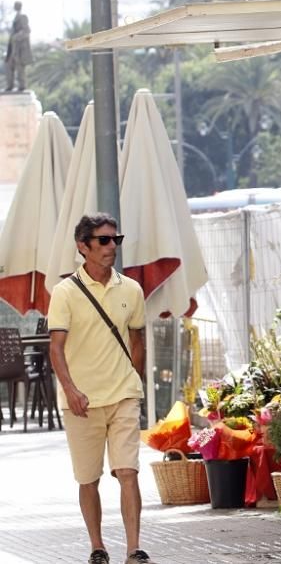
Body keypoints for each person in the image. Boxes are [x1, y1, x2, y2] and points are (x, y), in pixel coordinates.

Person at [47, 213, 151, 564]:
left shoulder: (132, 289)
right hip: (82, 401)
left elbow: (137, 339)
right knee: (88, 478)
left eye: (115, 240)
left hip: (123, 394)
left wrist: (133, 380)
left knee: (127, 471)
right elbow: (56, 348)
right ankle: (97, 546)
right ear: (83, 247)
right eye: (104, 240)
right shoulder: (64, 293)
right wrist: (71, 390)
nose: (112, 247)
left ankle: (134, 548)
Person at [5, 1, 32, 92]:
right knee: (9, 65)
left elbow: (27, 31)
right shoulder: (15, 17)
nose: (14, 6)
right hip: (12, 48)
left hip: (20, 48)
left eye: (16, 5)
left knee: (19, 67)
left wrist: (16, 37)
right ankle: (10, 85)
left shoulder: (22, 16)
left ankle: (22, 86)